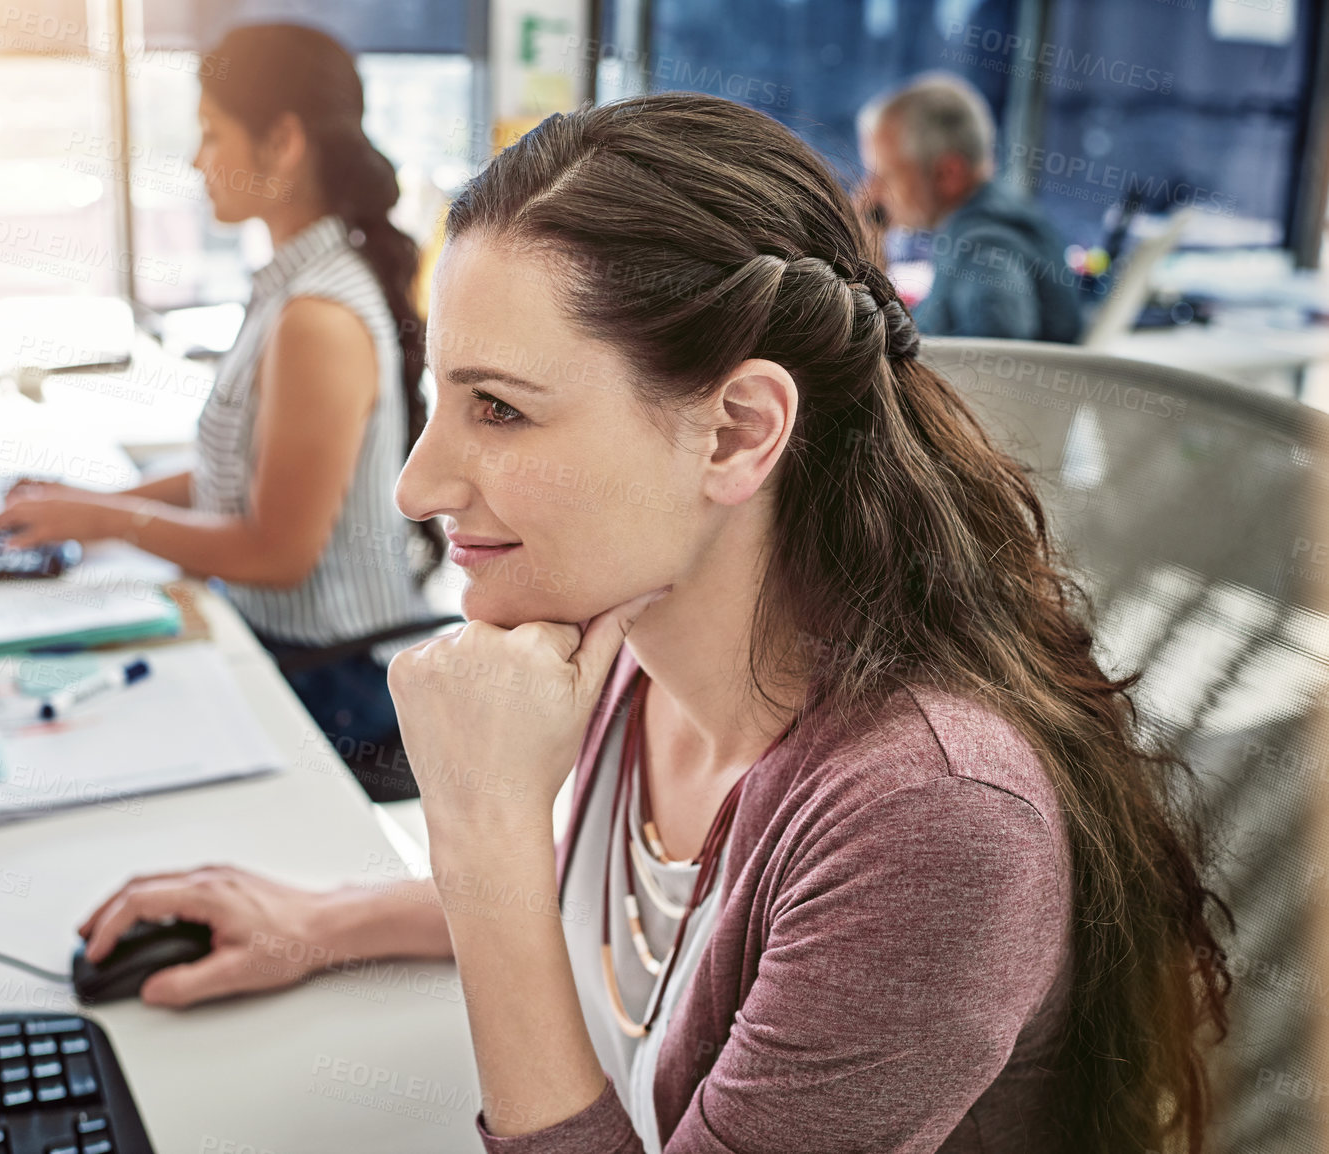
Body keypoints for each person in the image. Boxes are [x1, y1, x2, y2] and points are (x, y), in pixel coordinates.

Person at [76, 94, 1230, 1153]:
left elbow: (535, 902)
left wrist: (480, 830)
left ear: (734, 431)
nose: (416, 484)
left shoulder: (928, 819)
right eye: (440, 401)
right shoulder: (633, 635)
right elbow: (613, 921)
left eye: (499, 409)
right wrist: (317, 921)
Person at [0, 24, 448, 801]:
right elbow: (236, 475)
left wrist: (105, 523)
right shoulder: (291, 285)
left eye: (211, 135)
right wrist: (89, 507)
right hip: (296, 653)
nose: (199, 161)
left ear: (283, 142)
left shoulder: (317, 313)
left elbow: (276, 553)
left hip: (336, 686)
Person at [859, 72, 1083, 343]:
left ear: (948, 174)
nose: (870, 192)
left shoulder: (983, 241)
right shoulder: (1002, 214)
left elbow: (1000, 342)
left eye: (885, 175)